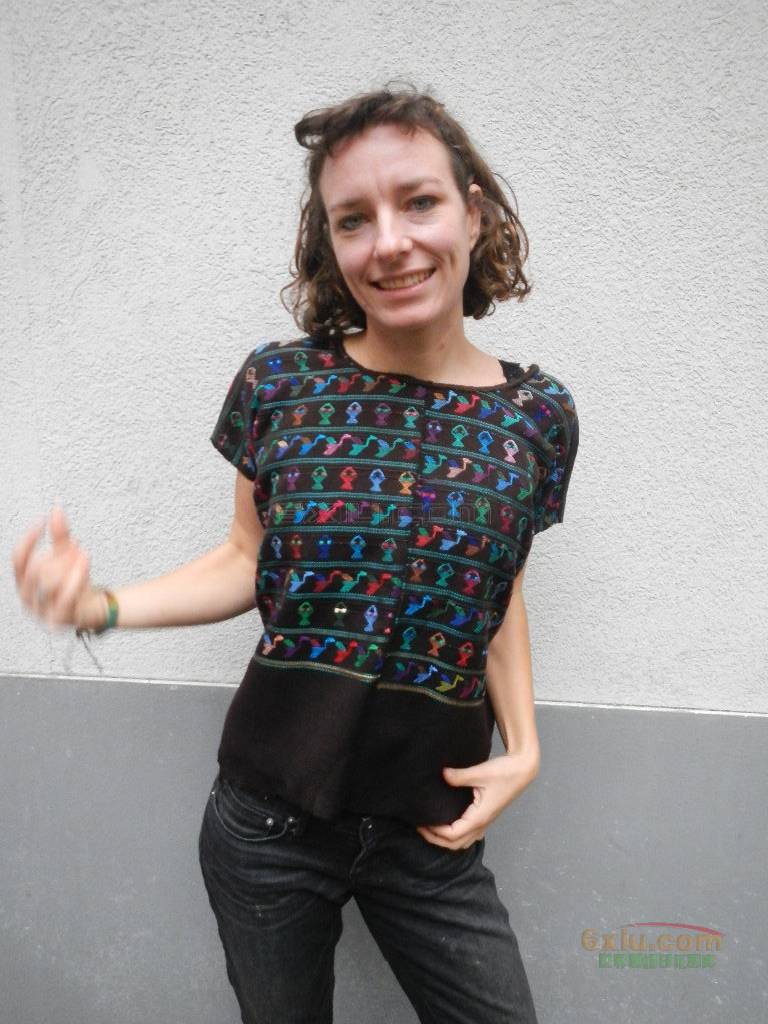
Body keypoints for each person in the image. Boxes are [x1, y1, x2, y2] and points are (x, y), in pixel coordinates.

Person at [11, 83, 579, 1024]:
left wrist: (525, 747)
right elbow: (246, 558)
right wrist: (101, 606)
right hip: (267, 826)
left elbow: (495, 588)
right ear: (331, 243)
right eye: (353, 219)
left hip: (432, 833)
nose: (388, 242)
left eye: (419, 202)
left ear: (474, 213)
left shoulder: (537, 416)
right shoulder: (281, 382)